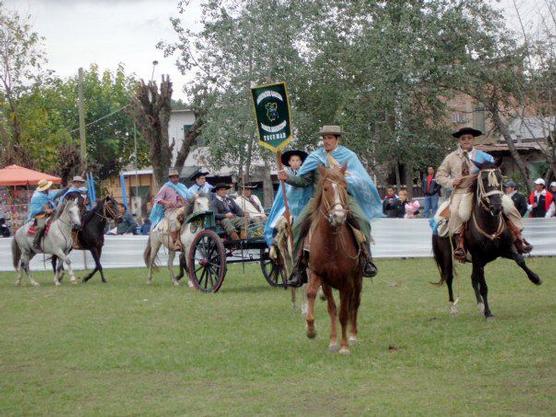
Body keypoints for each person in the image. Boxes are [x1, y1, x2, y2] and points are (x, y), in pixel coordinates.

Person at [276, 125, 383, 287]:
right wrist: (288, 178)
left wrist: (346, 179)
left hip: (342, 196)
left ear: (337, 139)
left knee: (362, 220)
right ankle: (298, 268)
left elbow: (358, 178)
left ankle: (366, 260)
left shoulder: (348, 156)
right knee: (298, 226)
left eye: (330, 138)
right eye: (324, 138)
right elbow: (304, 181)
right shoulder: (315, 157)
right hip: (318, 198)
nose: (326, 141)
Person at [436, 127, 531, 261]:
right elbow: (439, 176)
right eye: (463, 139)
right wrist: (451, 181)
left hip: (485, 191)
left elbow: (494, 172)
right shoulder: (450, 158)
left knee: (508, 205)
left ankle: (518, 237)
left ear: (473, 140)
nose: (466, 141)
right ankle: (460, 245)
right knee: (460, 213)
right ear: (459, 141)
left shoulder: (484, 156)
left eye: (469, 138)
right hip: (461, 192)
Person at [149, 168, 194, 250]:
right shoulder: (165, 187)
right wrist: (166, 202)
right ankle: (175, 242)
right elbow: (157, 199)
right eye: (173, 177)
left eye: (176, 177)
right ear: (169, 178)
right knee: (173, 220)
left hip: (183, 208)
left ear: (178, 177)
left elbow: (189, 197)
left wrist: (194, 197)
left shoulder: (182, 186)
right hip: (170, 210)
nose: (175, 179)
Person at [27, 179, 67, 249]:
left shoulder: (47, 193)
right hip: (39, 213)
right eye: (48, 187)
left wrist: (67, 189)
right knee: (42, 226)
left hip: (48, 212)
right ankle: (36, 242)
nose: (49, 188)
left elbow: (57, 194)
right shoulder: (38, 196)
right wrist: (48, 210)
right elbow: (44, 208)